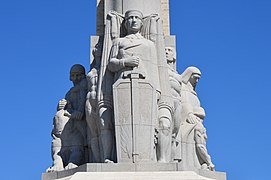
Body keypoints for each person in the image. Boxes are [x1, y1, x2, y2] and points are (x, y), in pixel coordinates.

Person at [47, 64, 87, 172]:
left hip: (77, 126)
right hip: (67, 128)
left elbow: (81, 111)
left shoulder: (84, 87)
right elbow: (67, 104)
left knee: (79, 141)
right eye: (73, 76)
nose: (75, 79)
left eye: (77, 75)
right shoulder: (69, 93)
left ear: (83, 76)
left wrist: (76, 113)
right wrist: (61, 105)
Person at [177, 66, 215, 171]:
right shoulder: (183, 89)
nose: (197, 80)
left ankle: (202, 163)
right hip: (189, 120)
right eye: (195, 77)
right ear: (189, 76)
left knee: (201, 139)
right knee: (198, 138)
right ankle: (207, 162)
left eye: (199, 78)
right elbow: (184, 103)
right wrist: (189, 114)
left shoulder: (193, 93)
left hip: (196, 120)